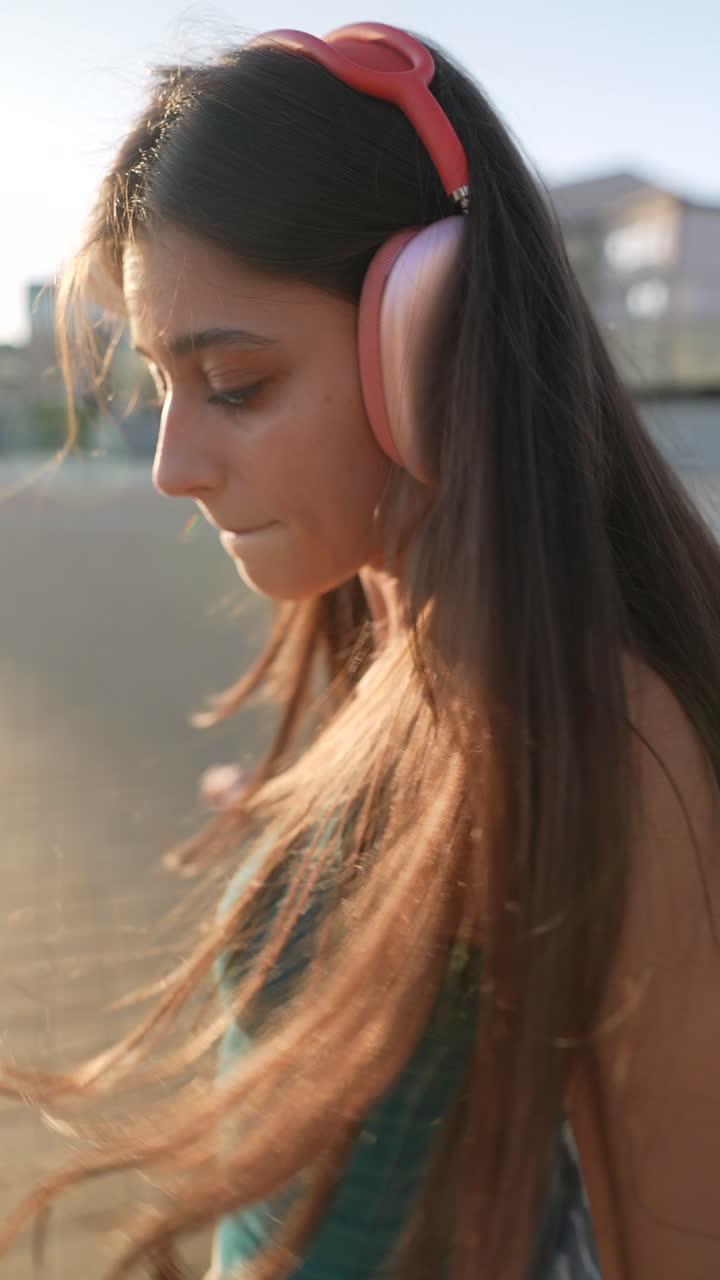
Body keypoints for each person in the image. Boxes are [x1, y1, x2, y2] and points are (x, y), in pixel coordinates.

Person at [2, 19, 720, 1280]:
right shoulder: (395, 618)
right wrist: (305, 849)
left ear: (425, 332)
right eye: (161, 389)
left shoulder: (601, 737)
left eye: (233, 384)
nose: (173, 465)